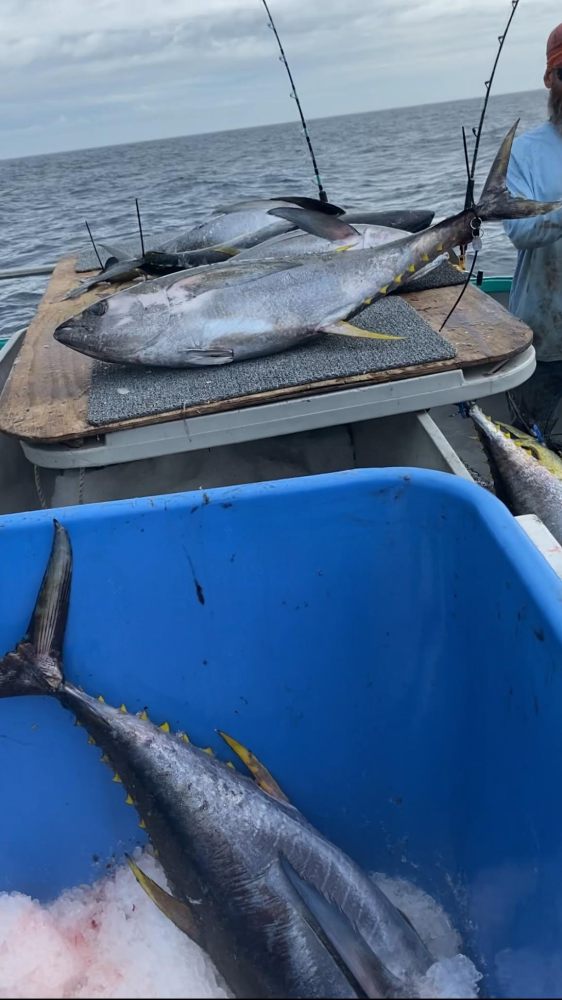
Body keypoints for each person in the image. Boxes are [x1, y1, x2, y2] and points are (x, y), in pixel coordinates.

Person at [503, 23, 562, 440]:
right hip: (545, 337)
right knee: (537, 449)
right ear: (549, 79)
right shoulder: (525, 151)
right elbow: (521, 231)